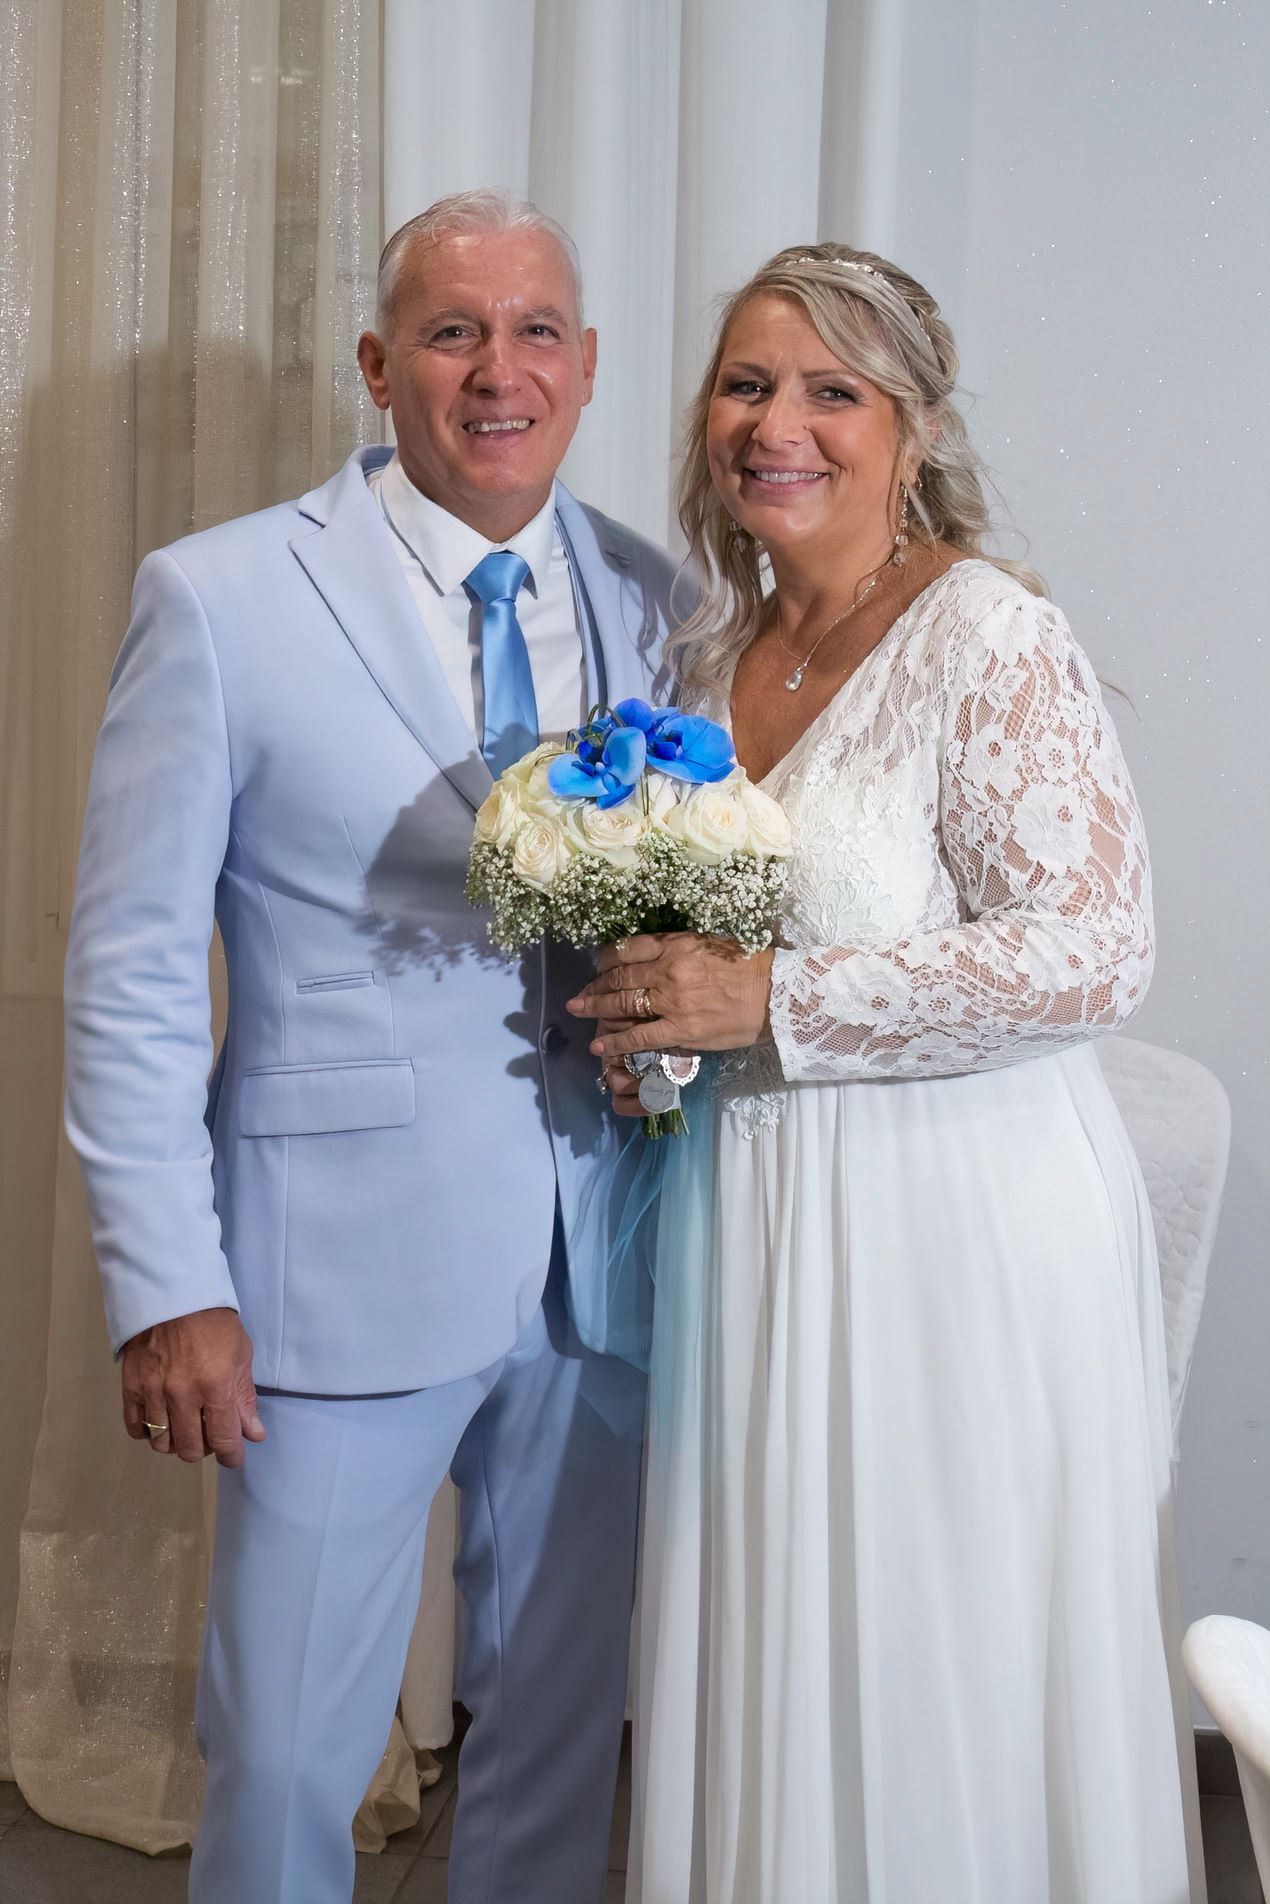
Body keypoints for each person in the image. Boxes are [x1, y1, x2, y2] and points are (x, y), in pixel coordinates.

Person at [63, 189, 678, 1904]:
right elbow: (129, 970)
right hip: (325, 1271)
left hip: (605, 1261)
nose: (499, 371)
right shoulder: (220, 597)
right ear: (377, 361)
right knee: (284, 1756)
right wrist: (166, 1284)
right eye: (452, 331)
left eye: (535, 331)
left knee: (561, 1727)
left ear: (587, 364)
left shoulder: (660, 595)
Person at [570, 244, 1206, 1902]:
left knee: (930, 1653)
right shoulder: (706, 660)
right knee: (770, 1645)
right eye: (745, 384)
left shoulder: (984, 635)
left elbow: (1092, 947)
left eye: (830, 391)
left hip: (948, 1238)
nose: (775, 425)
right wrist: (655, 1032)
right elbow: (706, 960)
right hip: (751, 1230)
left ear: (911, 430)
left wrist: (767, 1000)